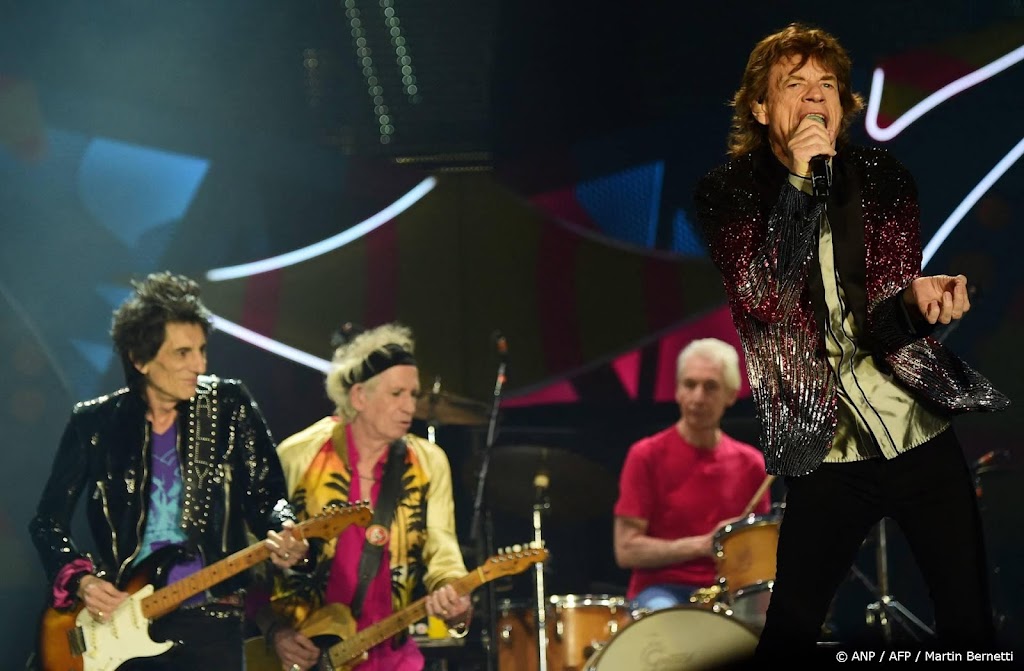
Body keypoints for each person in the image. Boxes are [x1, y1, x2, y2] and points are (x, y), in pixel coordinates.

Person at [693, 23, 1010, 656]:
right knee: (790, 633)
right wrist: (801, 182)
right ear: (761, 108)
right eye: (795, 84)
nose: (816, 95)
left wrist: (919, 304)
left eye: (828, 84)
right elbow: (763, 297)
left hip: (917, 429)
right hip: (826, 447)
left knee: (970, 627)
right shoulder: (726, 194)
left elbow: (885, 323)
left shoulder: (883, 179)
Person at [28, 271, 309, 670]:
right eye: (182, 353)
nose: (200, 364)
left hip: (212, 620)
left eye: (202, 350)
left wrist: (285, 528)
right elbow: (47, 522)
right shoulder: (93, 424)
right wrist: (81, 581)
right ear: (140, 359)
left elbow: (269, 498)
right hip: (121, 626)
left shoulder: (229, 405)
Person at [256, 322, 472, 671]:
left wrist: (455, 597)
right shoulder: (298, 456)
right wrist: (274, 632)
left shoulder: (429, 462)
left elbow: (443, 553)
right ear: (359, 396)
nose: (409, 407)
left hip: (395, 659)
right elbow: (253, 559)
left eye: (413, 394)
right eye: (396, 393)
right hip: (310, 658)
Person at [613, 338, 771, 612]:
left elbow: (759, 554)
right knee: (667, 619)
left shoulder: (751, 463)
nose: (698, 397)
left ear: (731, 395)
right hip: (661, 589)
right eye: (690, 385)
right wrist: (702, 545)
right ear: (677, 391)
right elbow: (626, 551)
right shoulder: (645, 455)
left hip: (730, 592)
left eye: (710, 387)